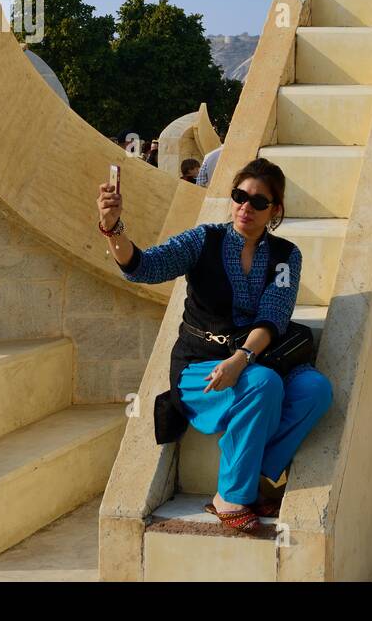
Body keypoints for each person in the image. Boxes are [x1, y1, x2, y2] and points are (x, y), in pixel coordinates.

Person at [96, 157, 331, 536]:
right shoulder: (203, 240)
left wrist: (240, 360)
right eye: (240, 196)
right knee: (263, 384)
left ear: (275, 210)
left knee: (315, 390)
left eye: (258, 202)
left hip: (256, 357)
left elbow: (274, 315)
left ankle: (259, 476)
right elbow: (145, 266)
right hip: (198, 367)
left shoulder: (287, 256)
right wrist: (113, 228)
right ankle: (231, 496)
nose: (245, 207)